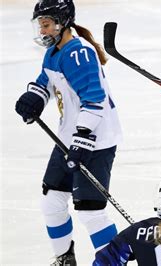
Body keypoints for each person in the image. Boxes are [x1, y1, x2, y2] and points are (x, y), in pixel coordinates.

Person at [14, 0, 122, 264]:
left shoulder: (79, 53)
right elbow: (46, 82)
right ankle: (64, 258)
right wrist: (34, 98)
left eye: (47, 25)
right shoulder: (54, 52)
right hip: (68, 139)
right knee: (51, 202)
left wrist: (82, 140)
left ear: (62, 23)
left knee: (90, 212)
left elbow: (94, 99)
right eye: (41, 25)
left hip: (95, 141)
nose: (43, 31)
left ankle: (114, 261)